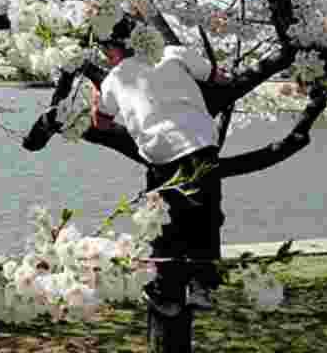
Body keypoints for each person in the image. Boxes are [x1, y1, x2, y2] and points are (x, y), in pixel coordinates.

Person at [91, 17, 227, 317]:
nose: (105, 55)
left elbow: (100, 123)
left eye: (106, 49)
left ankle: (166, 292)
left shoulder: (113, 79)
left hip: (162, 153)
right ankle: (203, 286)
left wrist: (95, 99)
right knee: (206, 216)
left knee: (166, 224)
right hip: (201, 143)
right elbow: (218, 76)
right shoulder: (174, 54)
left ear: (116, 48)